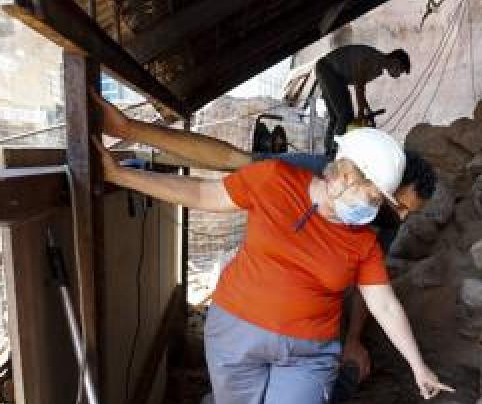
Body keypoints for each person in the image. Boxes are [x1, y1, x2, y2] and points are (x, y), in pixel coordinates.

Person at [96, 125, 452, 404]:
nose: (376, 209)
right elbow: (203, 193)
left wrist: (417, 365)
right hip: (235, 335)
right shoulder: (274, 179)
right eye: (374, 197)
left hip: (308, 352)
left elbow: (384, 304)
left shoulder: (363, 242)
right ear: (346, 176)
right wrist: (122, 174)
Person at [94, 94, 437, 388]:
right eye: (401, 204)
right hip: (251, 316)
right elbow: (228, 162)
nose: (401, 216)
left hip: (313, 331)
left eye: (407, 211)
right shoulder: (308, 173)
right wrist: (129, 130)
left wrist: (353, 341)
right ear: (368, 179)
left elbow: (375, 294)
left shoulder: (381, 219)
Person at [314, 46, 411, 140]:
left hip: (329, 70)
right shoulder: (375, 60)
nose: (398, 75)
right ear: (395, 61)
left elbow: (361, 89)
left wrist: (367, 110)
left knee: (337, 117)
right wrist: (361, 112)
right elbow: (359, 85)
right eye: (400, 70)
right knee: (345, 115)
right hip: (328, 69)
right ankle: (335, 151)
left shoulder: (378, 66)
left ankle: (329, 151)